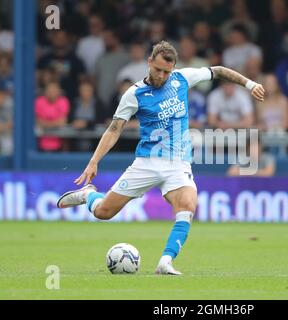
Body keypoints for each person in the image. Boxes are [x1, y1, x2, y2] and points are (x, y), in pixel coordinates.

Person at [56, 41, 265, 275]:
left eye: (167, 71)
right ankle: (90, 195)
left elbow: (217, 70)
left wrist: (249, 83)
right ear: (149, 62)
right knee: (104, 212)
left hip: (178, 163)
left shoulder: (182, 78)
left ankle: (165, 261)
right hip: (147, 162)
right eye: (158, 70)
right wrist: (94, 161)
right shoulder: (134, 94)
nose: (163, 76)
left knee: (187, 205)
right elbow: (114, 129)